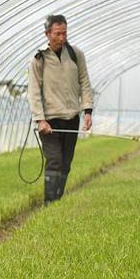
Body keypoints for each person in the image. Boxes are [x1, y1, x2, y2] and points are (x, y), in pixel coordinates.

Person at [27, 14, 93, 204]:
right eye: (57, 34)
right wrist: (40, 120)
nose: (62, 37)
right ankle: (49, 202)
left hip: (72, 117)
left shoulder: (75, 54)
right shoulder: (39, 60)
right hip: (50, 120)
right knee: (54, 160)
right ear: (47, 34)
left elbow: (85, 83)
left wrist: (87, 111)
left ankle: (58, 200)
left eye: (64, 33)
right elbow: (34, 92)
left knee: (65, 163)